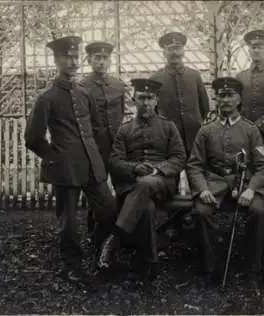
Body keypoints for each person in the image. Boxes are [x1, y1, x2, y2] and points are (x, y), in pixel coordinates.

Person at [24, 36, 117, 259]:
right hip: (65, 168)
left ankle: (98, 250)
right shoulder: (47, 98)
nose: (73, 63)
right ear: (56, 60)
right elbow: (32, 138)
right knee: (68, 223)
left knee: (110, 211)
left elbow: (94, 128)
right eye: (67, 58)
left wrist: (96, 155)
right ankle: (71, 265)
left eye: (76, 57)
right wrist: (54, 157)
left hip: (92, 165)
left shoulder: (85, 93)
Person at [97, 78, 186, 275]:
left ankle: (114, 239)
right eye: (141, 98)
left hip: (163, 183)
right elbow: (114, 160)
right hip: (134, 185)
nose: (146, 103)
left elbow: (179, 158)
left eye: (150, 98)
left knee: (146, 185)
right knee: (146, 206)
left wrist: (158, 170)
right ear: (133, 99)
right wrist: (135, 167)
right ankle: (150, 261)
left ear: (156, 101)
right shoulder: (125, 129)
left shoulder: (168, 127)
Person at [187, 77, 264, 285]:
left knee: (258, 211)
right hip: (214, 183)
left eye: (230, 95)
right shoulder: (206, 130)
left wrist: (252, 190)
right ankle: (210, 266)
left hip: (244, 183)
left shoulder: (250, 130)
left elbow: (263, 165)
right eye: (221, 96)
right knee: (201, 212)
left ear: (239, 99)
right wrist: (202, 189)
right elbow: (194, 165)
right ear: (216, 99)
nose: (225, 100)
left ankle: (253, 267)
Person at [81, 41, 133, 235]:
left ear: (110, 60)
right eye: (97, 58)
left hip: (118, 147)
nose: (101, 62)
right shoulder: (83, 86)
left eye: (104, 58)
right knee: (96, 188)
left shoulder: (118, 85)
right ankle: (93, 229)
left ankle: (121, 229)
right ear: (89, 60)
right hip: (95, 147)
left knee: (122, 185)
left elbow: (122, 114)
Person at [150, 31, 210, 156]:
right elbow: (152, 110)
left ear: (183, 51)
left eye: (178, 48)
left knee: (195, 170)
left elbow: (204, 106)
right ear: (164, 53)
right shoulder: (156, 78)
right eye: (170, 49)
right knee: (170, 172)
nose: (174, 53)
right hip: (168, 136)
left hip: (194, 134)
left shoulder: (194, 76)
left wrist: (194, 122)